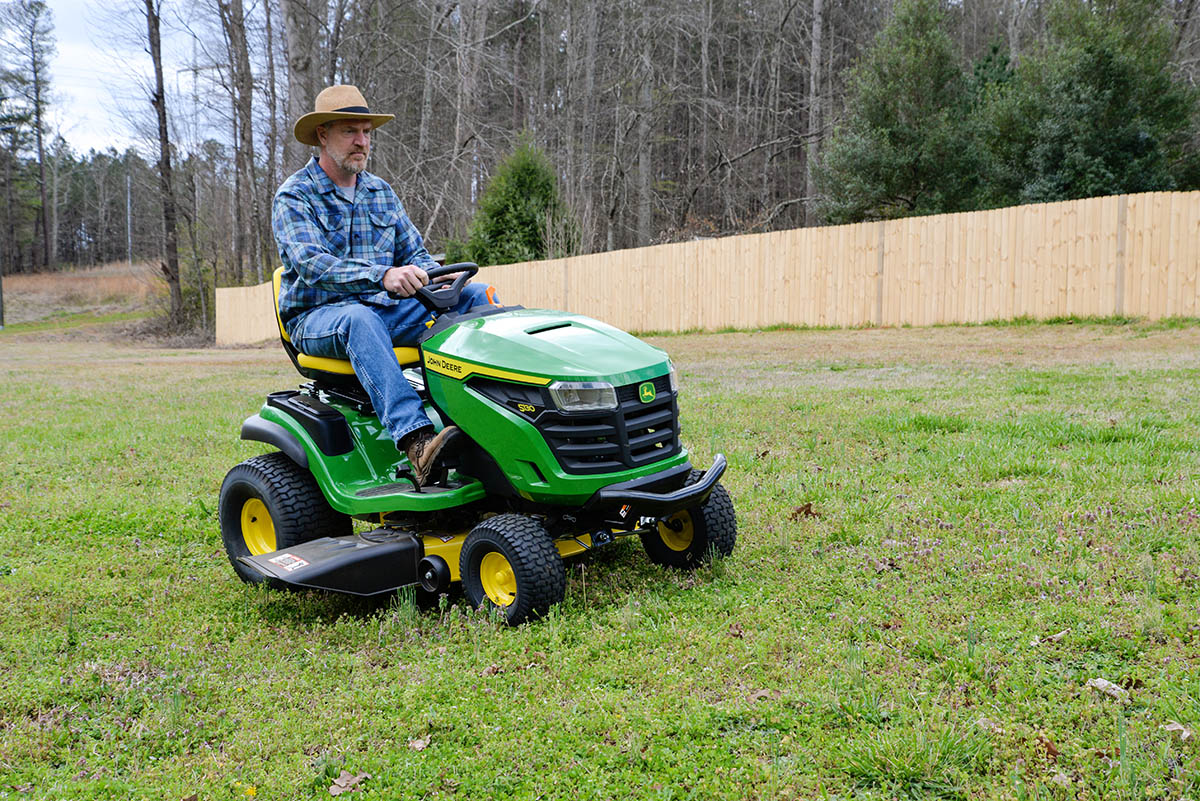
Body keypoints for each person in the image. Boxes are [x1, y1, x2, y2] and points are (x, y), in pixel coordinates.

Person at [272, 84, 489, 487]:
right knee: (359, 318)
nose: (362, 141)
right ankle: (417, 441)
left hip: (384, 309)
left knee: (477, 296)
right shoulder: (295, 196)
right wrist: (381, 275)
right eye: (350, 131)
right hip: (318, 317)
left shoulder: (380, 193)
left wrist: (437, 278)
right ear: (322, 135)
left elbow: (416, 254)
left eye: (367, 132)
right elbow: (310, 263)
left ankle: (493, 416)